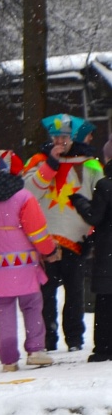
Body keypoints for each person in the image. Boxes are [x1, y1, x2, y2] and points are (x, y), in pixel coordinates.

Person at [0, 151, 58, 371]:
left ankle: (8, 359)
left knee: (3, 310)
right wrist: (49, 250)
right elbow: (37, 232)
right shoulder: (23, 197)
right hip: (24, 263)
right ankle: (36, 349)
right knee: (31, 305)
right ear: (17, 171)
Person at [23, 114, 102, 352]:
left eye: (65, 136)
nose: (60, 140)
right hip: (45, 242)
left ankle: (75, 339)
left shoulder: (89, 164)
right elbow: (26, 194)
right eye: (56, 136)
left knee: (75, 292)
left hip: (76, 241)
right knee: (45, 294)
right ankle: (47, 338)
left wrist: (94, 231)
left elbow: (101, 199)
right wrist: (50, 165)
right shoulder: (38, 162)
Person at [86, 141, 112, 362]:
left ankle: (104, 347)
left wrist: (79, 203)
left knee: (105, 301)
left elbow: (95, 217)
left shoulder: (104, 185)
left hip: (108, 251)